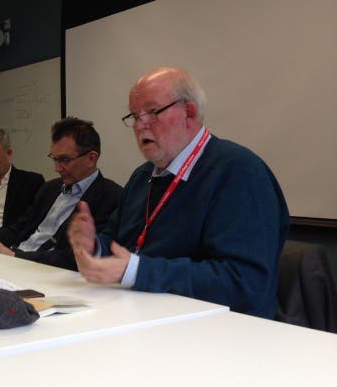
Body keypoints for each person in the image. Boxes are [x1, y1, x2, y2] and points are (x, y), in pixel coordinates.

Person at [68, 66, 289, 319]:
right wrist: (93, 246)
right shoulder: (142, 177)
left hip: (219, 334)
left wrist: (138, 272)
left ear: (190, 112)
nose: (140, 125)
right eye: (134, 115)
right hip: (141, 315)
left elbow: (245, 283)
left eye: (152, 112)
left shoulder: (239, 172)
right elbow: (121, 246)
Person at [0, 117, 122, 270]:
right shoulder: (51, 189)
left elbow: (75, 259)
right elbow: (18, 230)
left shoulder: (111, 197)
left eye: (65, 160)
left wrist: (16, 257)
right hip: (15, 262)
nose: (57, 168)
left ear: (91, 158)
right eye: (54, 158)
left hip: (42, 271)